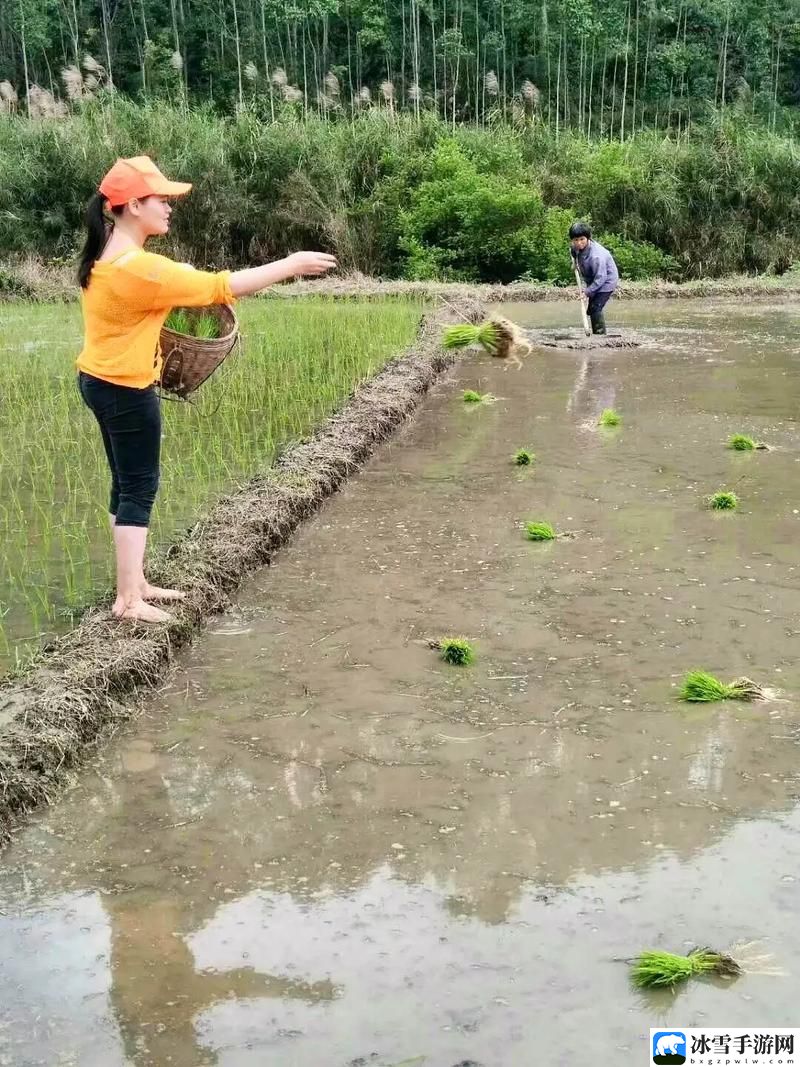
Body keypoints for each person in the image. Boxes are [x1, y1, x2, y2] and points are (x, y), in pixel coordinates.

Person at [77, 155, 337, 624]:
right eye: (163, 199)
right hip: (125, 388)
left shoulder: (106, 258)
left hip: (98, 380)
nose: (170, 207)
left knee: (124, 482)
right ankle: (129, 601)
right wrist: (291, 264)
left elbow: (170, 290)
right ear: (133, 205)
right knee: (139, 486)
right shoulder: (141, 269)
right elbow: (224, 286)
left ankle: (135, 582)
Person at [568, 222, 619, 335]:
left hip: (606, 281)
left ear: (588, 238)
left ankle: (600, 335)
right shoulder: (575, 247)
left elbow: (601, 278)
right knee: (591, 309)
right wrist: (574, 263)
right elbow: (573, 251)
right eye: (575, 240)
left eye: (582, 239)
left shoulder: (597, 256)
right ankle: (596, 333)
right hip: (593, 279)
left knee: (595, 307)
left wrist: (587, 292)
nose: (579, 243)